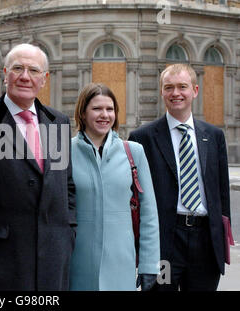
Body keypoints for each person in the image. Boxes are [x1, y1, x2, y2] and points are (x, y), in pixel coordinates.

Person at [0, 43, 76, 291]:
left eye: (33, 70)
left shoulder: (59, 122)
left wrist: (67, 233)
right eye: (17, 68)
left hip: (52, 261)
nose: (24, 76)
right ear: (5, 73)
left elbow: (68, 186)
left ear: (44, 79)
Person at [129, 64, 231, 291]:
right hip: (165, 245)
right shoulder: (142, 137)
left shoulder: (214, 136)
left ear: (195, 90)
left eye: (182, 87)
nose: (176, 93)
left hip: (205, 243)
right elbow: (135, 197)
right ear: (162, 92)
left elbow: (222, 193)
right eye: (169, 87)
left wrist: (222, 242)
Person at [69, 83, 160, 291]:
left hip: (122, 263)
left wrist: (149, 264)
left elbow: (149, 213)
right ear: (82, 113)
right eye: (96, 109)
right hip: (77, 264)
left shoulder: (133, 152)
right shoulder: (65, 153)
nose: (104, 115)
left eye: (109, 109)